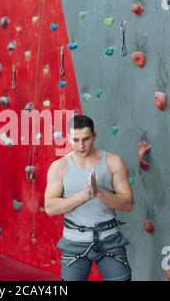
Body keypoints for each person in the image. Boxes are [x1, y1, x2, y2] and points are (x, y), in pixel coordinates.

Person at [44, 115, 134, 281]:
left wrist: (99, 193)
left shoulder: (113, 162)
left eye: (86, 139)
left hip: (109, 239)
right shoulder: (59, 166)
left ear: (95, 135)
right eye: (75, 140)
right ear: (69, 138)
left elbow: (128, 205)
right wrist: (82, 196)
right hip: (74, 241)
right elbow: (50, 208)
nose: (81, 146)